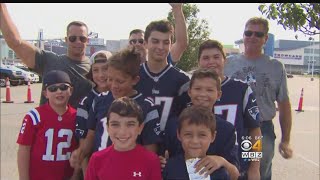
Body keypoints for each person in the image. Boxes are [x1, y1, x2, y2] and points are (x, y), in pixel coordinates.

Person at [224, 17, 293, 180]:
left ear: (266, 38)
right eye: (248, 33)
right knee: (232, 172)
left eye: (258, 34)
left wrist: (286, 140)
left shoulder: (276, 67)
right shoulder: (228, 63)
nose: (252, 37)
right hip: (234, 127)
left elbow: (284, 105)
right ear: (243, 35)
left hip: (262, 129)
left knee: (257, 173)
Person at [80, 48, 161, 166]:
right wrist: (80, 153)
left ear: (135, 80)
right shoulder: (99, 100)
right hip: (101, 169)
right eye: (110, 79)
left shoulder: (147, 106)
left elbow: (150, 149)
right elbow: (91, 135)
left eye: (120, 81)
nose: (114, 85)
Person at [0, 4, 92, 108]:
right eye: (73, 38)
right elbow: (15, 42)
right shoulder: (49, 60)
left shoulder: (96, 70)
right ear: (66, 40)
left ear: (87, 41)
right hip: (46, 123)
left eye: (82, 39)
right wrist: (2, 7)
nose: (78, 42)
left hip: (80, 124)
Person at [198, 39, 261, 179]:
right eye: (206, 58)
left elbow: (254, 130)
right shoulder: (190, 91)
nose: (211, 62)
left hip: (236, 168)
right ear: (199, 62)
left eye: (216, 57)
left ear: (224, 60)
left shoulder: (241, 89)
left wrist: (254, 166)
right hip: (200, 168)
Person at [164, 69, 240, 179]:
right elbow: (167, 157)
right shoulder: (173, 125)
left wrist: (222, 161)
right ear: (189, 92)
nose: (203, 94)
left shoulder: (227, 129)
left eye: (209, 90)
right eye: (198, 89)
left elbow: (235, 175)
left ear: (218, 95)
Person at [135, 18, 191, 145]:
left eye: (166, 42)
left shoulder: (182, 80)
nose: (160, 47)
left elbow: (187, 119)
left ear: (171, 45)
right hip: (137, 147)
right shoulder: (133, 75)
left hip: (171, 149)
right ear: (145, 43)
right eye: (155, 41)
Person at [16, 70, 78, 180]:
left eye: (63, 87)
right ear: (45, 93)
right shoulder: (35, 116)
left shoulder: (77, 116)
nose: (59, 91)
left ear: (71, 90)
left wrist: (75, 175)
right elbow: (24, 149)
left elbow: (79, 149)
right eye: (53, 88)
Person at [85, 97, 162, 180]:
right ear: (107, 127)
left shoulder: (151, 160)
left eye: (130, 124)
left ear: (140, 128)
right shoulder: (97, 159)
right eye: (115, 124)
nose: (122, 132)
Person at [70, 50, 112, 176]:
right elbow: (84, 144)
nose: (101, 75)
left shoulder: (121, 94)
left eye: (105, 69)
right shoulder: (86, 102)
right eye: (96, 70)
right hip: (96, 168)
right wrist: (88, 174)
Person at [163, 106, 230, 180]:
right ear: (179, 135)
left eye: (202, 135)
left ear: (213, 136)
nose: (195, 141)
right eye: (188, 134)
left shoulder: (219, 172)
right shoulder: (169, 168)